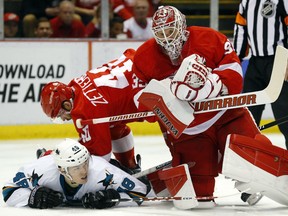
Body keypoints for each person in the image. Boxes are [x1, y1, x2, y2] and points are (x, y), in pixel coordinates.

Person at [132, 5, 268, 207]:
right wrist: (165, 98)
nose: (166, 38)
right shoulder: (144, 56)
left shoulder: (209, 38)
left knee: (255, 159)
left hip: (225, 115)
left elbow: (234, 72)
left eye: (170, 30)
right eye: (160, 33)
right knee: (199, 199)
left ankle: (248, 181)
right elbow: (138, 98)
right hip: (190, 131)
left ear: (182, 25)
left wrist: (210, 87)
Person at [40, 49, 146, 173]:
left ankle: (132, 168)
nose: (63, 119)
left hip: (146, 82)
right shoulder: (76, 85)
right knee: (113, 128)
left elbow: (101, 157)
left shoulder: (84, 112)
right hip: (139, 61)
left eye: (59, 115)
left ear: (67, 105)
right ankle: (130, 166)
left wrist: (54, 157)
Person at [2, 138, 154, 209]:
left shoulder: (101, 171)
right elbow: (8, 190)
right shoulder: (41, 171)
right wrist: (33, 196)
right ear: (61, 169)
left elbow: (140, 192)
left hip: (105, 166)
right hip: (47, 162)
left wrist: (114, 198)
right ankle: (46, 154)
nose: (84, 171)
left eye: (85, 163)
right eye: (76, 168)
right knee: (46, 159)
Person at [233, 0, 288, 149]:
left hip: (279, 61)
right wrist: (235, 60)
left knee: (284, 113)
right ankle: (246, 158)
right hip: (255, 62)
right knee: (248, 116)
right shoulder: (246, 2)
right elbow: (240, 30)